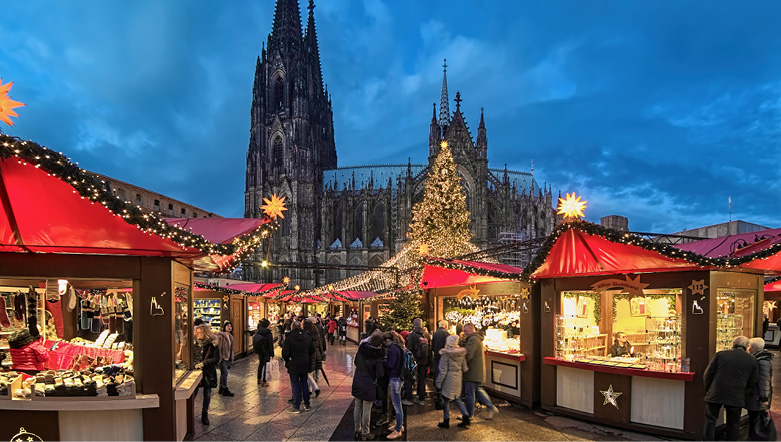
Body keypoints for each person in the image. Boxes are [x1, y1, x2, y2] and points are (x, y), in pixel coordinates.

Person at [703, 335, 759, 441]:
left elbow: (708, 374)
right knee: (733, 423)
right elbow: (753, 381)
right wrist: (744, 393)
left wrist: (709, 389)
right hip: (736, 395)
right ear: (747, 347)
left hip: (716, 392)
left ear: (733, 344)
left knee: (710, 420)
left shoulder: (721, 355)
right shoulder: (752, 360)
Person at [462, 323, 499, 423]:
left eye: (465, 331)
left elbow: (469, 355)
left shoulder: (473, 340)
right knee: (478, 391)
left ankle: (469, 415)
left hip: (472, 371)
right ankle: (491, 408)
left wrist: (461, 364)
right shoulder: (476, 339)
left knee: (469, 393)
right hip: (476, 371)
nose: (464, 333)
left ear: (471, 329)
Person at [352, 334, 385, 440]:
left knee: (357, 406)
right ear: (379, 345)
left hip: (357, 380)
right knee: (367, 408)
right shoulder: (377, 355)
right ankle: (365, 432)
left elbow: (356, 362)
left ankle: (357, 429)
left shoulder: (362, 349)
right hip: (369, 384)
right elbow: (380, 374)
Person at [436, 335, 469, 428]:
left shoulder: (445, 354)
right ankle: (466, 416)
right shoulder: (461, 353)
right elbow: (465, 368)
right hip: (458, 377)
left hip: (448, 378)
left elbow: (443, 371)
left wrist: (438, 383)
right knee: (457, 398)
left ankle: (446, 420)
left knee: (445, 399)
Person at [282, 321, 314, 413]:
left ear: (292, 327)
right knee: (304, 383)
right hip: (305, 363)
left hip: (294, 364)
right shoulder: (307, 336)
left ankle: (296, 406)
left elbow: (285, 353)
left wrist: (288, 360)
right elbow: (312, 350)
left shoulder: (289, 338)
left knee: (295, 384)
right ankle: (307, 404)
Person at [747, 337, 773, 440]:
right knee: (754, 418)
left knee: (756, 418)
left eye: (749, 346)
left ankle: (755, 437)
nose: (748, 348)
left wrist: (764, 398)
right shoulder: (759, 359)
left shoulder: (762, 361)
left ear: (754, 348)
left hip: (757, 397)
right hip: (756, 396)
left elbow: (764, 381)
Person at [193, 324, 219, 425]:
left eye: (199, 332)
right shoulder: (194, 344)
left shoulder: (212, 344)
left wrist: (204, 363)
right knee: (193, 392)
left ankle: (205, 414)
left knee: (207, 394)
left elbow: (216, 358)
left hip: (208, 372)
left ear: (205, 333)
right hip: (196, 372)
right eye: (196, 332)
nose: (197, 334)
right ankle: (189, 412)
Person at [383, 331, 405, 440]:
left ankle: (398, 429)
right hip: (399, 377)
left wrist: (384, 362)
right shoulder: (399, 346)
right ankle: (399, 425)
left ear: (388, 340)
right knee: (398, 403)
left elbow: (391, 364)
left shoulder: (392, 348)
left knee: (396, 405)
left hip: (394, 377)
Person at [407, 318, 431, 404]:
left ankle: (409, 397)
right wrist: (429, 361)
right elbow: (429, 348)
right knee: (422, 379)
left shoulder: (412, 335)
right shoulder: (426, 334)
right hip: (424, 360)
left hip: (415, 360)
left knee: (410, 378)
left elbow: (409, 348)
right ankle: (421, 398)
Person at [303, 319, 322, 397]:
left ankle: (314, 388)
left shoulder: (306, 336)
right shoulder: (316, 334)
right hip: (316, 355)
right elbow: (320, 345)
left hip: (309, 355)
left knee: (307, 373)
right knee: (311, 372)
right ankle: (311, 389)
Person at [253, 319, 275, 386]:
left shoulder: (258, 331)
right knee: (266, 366)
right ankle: (264, 381)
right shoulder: (268, 333)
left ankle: (259, 379)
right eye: (269, 324)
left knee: (261, 364)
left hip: (260, 351)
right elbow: (270, 344)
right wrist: (272, 354)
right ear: (267, 325)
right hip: (266, 351)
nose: (270, 325)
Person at [216, 321, 235, 396]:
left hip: (227, 357)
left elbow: (231, 348)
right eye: (227, 326)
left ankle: (221, 387)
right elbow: (219, 348)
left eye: (230, 326)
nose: (229, 327)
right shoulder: (221, 336)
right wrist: (220, 357)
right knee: (225, 373)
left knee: (223, 373)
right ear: (224, 327)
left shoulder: (230, 336)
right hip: (223, 357)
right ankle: (224, 388)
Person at [431, 320, 450, 393]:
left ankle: (437, 385)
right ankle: (441, 386)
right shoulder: (446, 334)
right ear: (445, 326)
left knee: (437, 369)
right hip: (444, 355)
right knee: (443, 370)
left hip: (436, 354)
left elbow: (432, 345)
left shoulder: (436, 333)